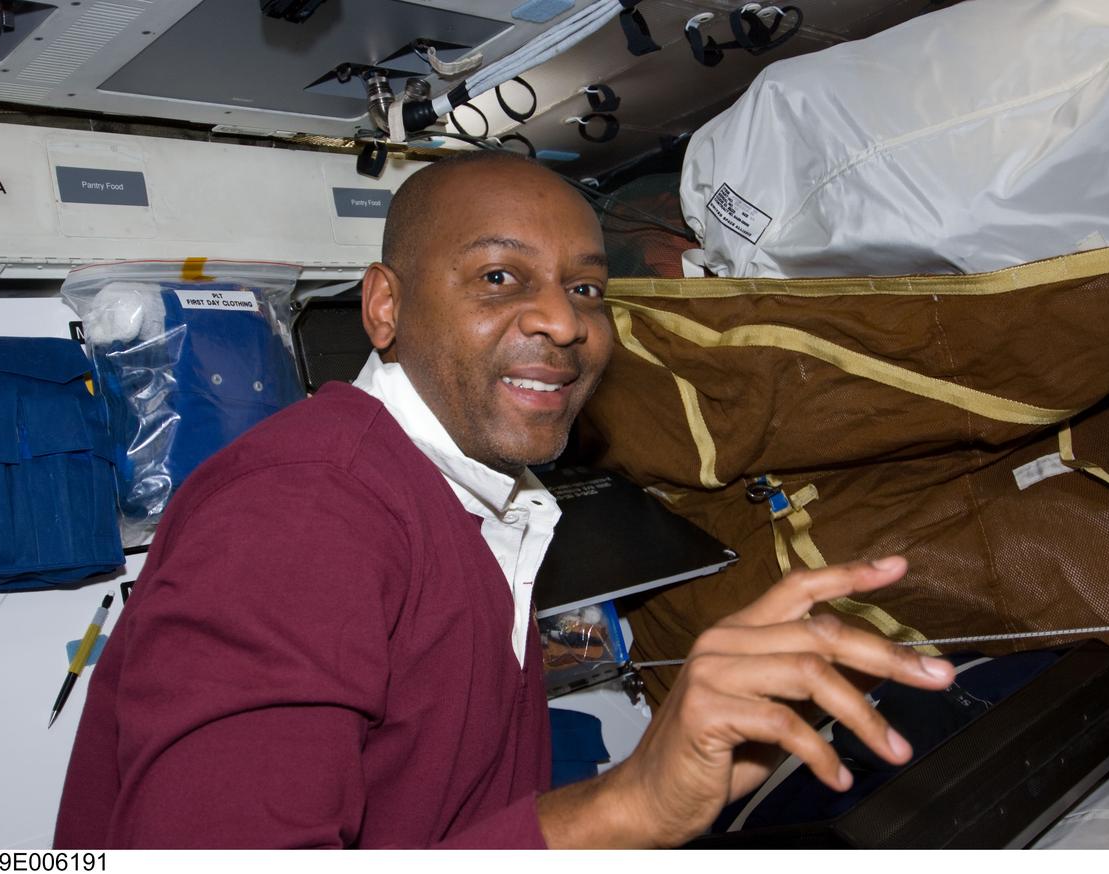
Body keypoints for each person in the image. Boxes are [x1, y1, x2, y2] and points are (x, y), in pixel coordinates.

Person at [54, 151, 955, 849]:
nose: (564, 321)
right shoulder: (303, 511)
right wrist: (627, 805)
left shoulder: (480, 499)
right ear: (384, 308)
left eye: (586, 288)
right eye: (498, 277)